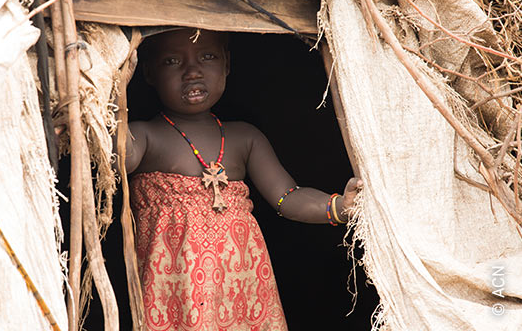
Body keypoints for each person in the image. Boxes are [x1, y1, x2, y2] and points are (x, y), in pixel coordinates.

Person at [123, 28, 363, 331]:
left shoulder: (244, 137)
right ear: (147, 73)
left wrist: (338, 207)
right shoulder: (144, 135)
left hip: (242, 283)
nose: (192, 71)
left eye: (207, 57)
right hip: (176, 285)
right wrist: (115, 95)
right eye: (172, 61)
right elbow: (120, 159)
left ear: (227, 64)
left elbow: (286, 196)